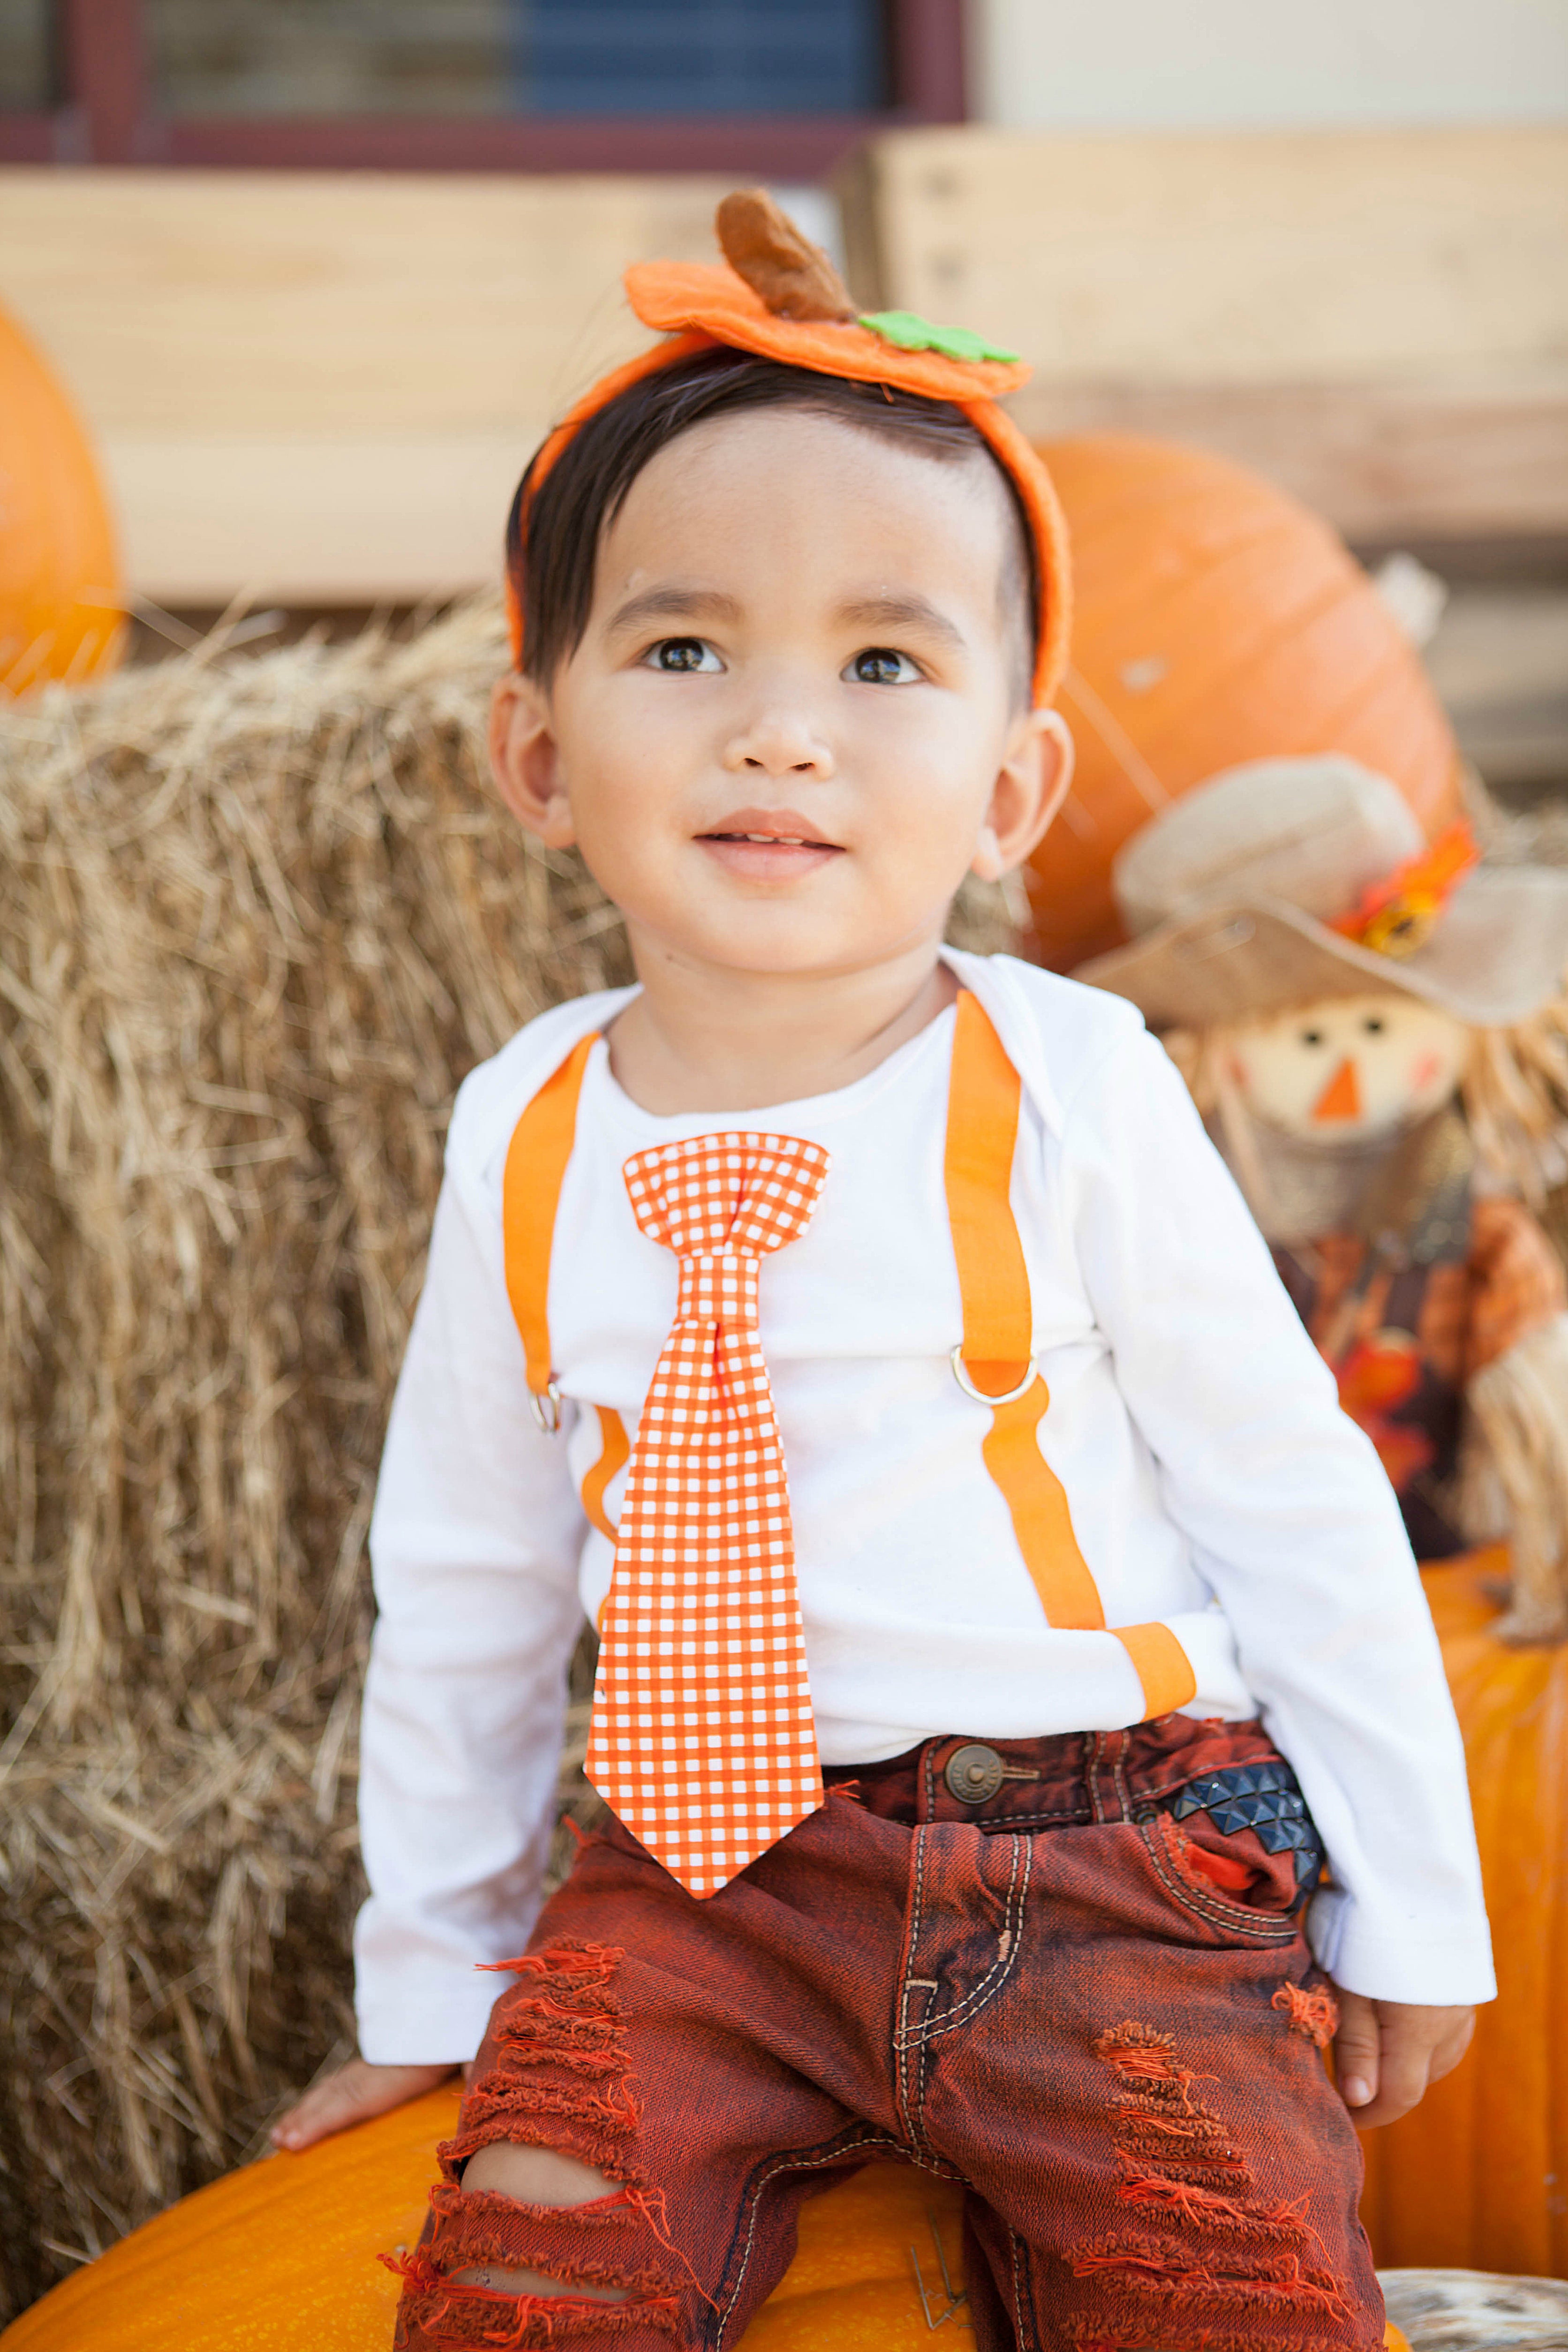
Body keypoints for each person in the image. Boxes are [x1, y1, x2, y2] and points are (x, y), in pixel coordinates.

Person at [274, 195, 1491, 2352]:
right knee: (524, 2273)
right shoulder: (524, 1129)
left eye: (879, 661)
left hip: (1106, 1861)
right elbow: (463, 1577)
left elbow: (1289, 1500)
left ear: (1011, 790)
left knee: (1226, 2298)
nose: (777, 729)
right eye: (681, 651)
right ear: (537, 756)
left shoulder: (1072, 1081)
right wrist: (433, 1993)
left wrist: (1413, 1899)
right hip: (697, 1889)